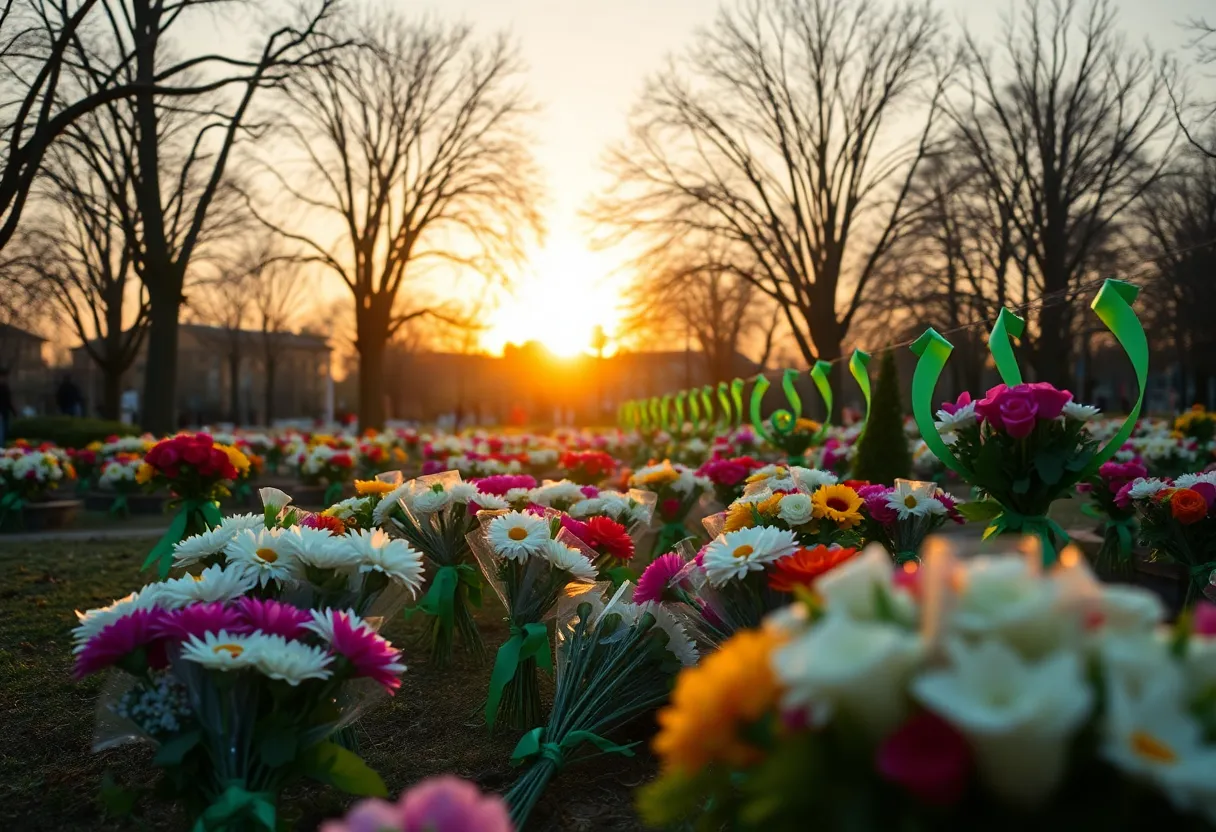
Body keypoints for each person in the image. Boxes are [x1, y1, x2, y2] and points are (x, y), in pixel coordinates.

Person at [0, 368, 13, 445]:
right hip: (1, 412)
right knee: (1, 431)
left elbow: (7, 401)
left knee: (5, 430)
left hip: (5, 412)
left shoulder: (5, 387)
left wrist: (13, 411)